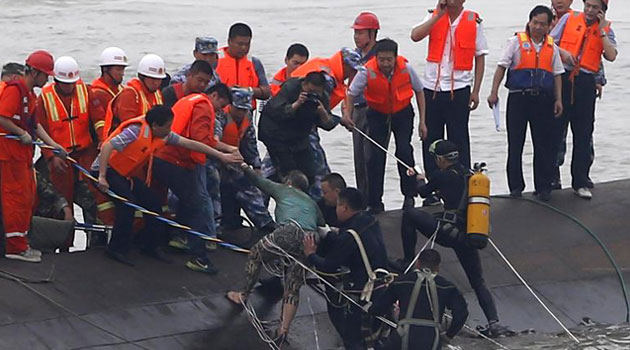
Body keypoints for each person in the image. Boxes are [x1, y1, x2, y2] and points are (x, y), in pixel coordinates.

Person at [93, 105, 243, 266]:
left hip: (123, 174)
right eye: (167, 126)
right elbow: (107, 146)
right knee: (127, 204)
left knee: (153, 203)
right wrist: (101, 176)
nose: (170, 130)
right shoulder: (135, 131)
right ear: (156, 126)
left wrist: (221, 155)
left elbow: (190, 144)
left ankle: (150, 245)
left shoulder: (162, 134)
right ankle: (116, 249)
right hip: (105, 170)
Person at [399, 140, 510, 337]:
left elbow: (422, 192)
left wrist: (419, 178)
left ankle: (408, 258)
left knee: (409, 214)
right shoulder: (470, 175)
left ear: (441, 159)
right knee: (478, 281)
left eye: (436, 159)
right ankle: (494, 322)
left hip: (448, 233)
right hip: (469, 234)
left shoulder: (441, 175)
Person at [226, 166, 325, 347]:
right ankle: (283, 328)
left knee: (256, 255)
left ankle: (243, 294)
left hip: (290, 229)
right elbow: (322, 225)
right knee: (293, 286)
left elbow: (259, 182)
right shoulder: (312, 202)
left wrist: (244, 167)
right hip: (311, 238)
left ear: (289, 183)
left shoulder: (284, 189)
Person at [153, 82, 240, 273]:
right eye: (220, 105)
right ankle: (198, 256)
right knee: (199, 204)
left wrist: (226, 148)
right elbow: (200, 139)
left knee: (187, 199)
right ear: (215, 96)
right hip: (175, 160)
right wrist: (223, 155)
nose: (219, 111)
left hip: (164, 157)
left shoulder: (189, 100)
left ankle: (181, 238)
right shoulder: (203, 106)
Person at [487, 5, 565, 201]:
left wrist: (559, 99)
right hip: (518, 99)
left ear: (549, 26)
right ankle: (516, 187)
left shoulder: (551, 46)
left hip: (543, 100)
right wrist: (494, 92)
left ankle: (543, 187)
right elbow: (501, 67)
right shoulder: (515, 42)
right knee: (515, 144)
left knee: (543, 145)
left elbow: (557, 75)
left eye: (542, 24)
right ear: (529, 22)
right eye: (535, 23)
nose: (538, 27)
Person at [411, 0, 489, 191]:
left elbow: (480, 57)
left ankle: (461, 182)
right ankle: (432, 186)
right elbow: (415, 36)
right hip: (433, 87)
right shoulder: (433, 15)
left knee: (459, 136)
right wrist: (438, 15)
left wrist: (476, 90)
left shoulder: (473, 20)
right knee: (431, 137)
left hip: (460, 88)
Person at [0, 50, 67, 263]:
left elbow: (35, 125)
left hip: (22, 157)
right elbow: (2, 116)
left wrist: (54, 145)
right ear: (35, 72)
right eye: (45, 74)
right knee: (15, 199)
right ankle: (15, 246)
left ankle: (21, 242)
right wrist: (20, 134)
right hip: (9, 156)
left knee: (28, 197)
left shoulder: (31, 96)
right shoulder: (15, 91)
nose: (47, 79)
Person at [346, 38, 426, 214]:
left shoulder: (406, 68)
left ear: (395, 57)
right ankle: (375, 201)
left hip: (402, 112)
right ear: (376, 57)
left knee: (404, 151)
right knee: (375, 156)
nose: (385, 63)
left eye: (389, 59)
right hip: (377, 113)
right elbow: (351, 93)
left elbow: (419, 91)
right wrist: (348, 115)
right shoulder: (367, 71)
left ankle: (409, 195)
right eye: (381, 59)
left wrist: (423, 122)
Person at [303, 187, 389, 350]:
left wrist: (310, 254)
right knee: (375, 333)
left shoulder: (349, 236)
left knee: (352, 337)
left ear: (344, 207)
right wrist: (331, 234)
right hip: (382, 283)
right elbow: (356, 241)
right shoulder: (370, 219)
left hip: (363, 292)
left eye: (337, 206)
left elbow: (328, 265)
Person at [549, 0, 617, 199]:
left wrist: (602, 30)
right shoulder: (569, 19)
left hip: (586, 81)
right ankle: (549, 179)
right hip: (564, 77)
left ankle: (580, 181)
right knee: (555, 129)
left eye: (595, 7)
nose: (589, 10)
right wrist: (564, 53)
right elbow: (549, 42)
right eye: (587, 5)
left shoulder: (606, 28)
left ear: (602, 11)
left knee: (584, 132)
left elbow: (611, 55)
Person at [35, 56, 103, 249]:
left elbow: (98, 119)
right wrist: (51, 157)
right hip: (59, 160)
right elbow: (40, 132)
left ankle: (94, 245)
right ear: (56, 81)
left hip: (83, 157)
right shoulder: (45, 99)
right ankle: (63, 247)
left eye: (72, 83)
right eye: (65, 84)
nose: (69, 87)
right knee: (61, 205)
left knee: (93, 201)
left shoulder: (86, 91)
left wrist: (101, 140)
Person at [370, 249, 469, 350]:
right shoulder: (447, 287)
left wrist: (370, 308)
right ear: (437, 267)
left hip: (403, 335)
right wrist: (448, 336)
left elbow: (378, 308)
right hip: (431, 339)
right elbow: (461, 314)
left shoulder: (401, 282)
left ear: (418, 264)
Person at [210, 88, 275, 237]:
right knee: (214, 187)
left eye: (244, 110)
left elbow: (250, 143)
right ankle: (215, 227)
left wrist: (256, 166)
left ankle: (265, 223)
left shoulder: (247, 117)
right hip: (215, 159)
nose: (241, 113)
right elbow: (214, 140)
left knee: (249, 185)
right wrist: (224, 156)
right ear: (231, 105)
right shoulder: (220, 116)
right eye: (238, 109)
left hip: (233, 162)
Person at [258, 71, 337, 186]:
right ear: (304, 85)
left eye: (316, 93)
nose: (312, 95)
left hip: (299, 136)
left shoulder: (321, 97)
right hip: (275, 133)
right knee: (288, 172)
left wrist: (322, 112)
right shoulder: (290, 88)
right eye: (310, 92)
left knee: (310, 172)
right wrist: (297, 104)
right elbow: (277, 112)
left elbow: (328, 125)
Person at [343, 11, 380, 199]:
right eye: (355, 33)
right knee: (358, 158)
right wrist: (346, 111)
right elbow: (347, 85)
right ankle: (363, 199)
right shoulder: (354, 56)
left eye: (360, 32)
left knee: (371, 156)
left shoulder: (380, 56)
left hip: (374, 109)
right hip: (356, 109)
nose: (356, 37)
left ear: (372, 34)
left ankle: (374, 199)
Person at [102, 54, 166, 138]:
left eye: (159, 79)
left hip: (146, 142)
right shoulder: (129, 94)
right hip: (123, 145)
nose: (156, 83)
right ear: (142, 77)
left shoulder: (157, 94)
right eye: (153, 79)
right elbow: (130, 127)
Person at [216, 23, 271, 108]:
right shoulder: (215, 59)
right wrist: (227, 91)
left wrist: (248, 90)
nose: (244, 48)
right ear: (229, 41)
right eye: (240, 44)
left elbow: (266, 92)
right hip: (221, 112)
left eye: (247, 44)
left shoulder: (255, 62)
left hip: (246, 113)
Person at [91, 47, 129, 142]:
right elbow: (100, 122)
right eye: (118, 70)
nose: (122, 73)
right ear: (105, 69)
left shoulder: (121, 89)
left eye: (123, 69)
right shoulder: (97, 93)